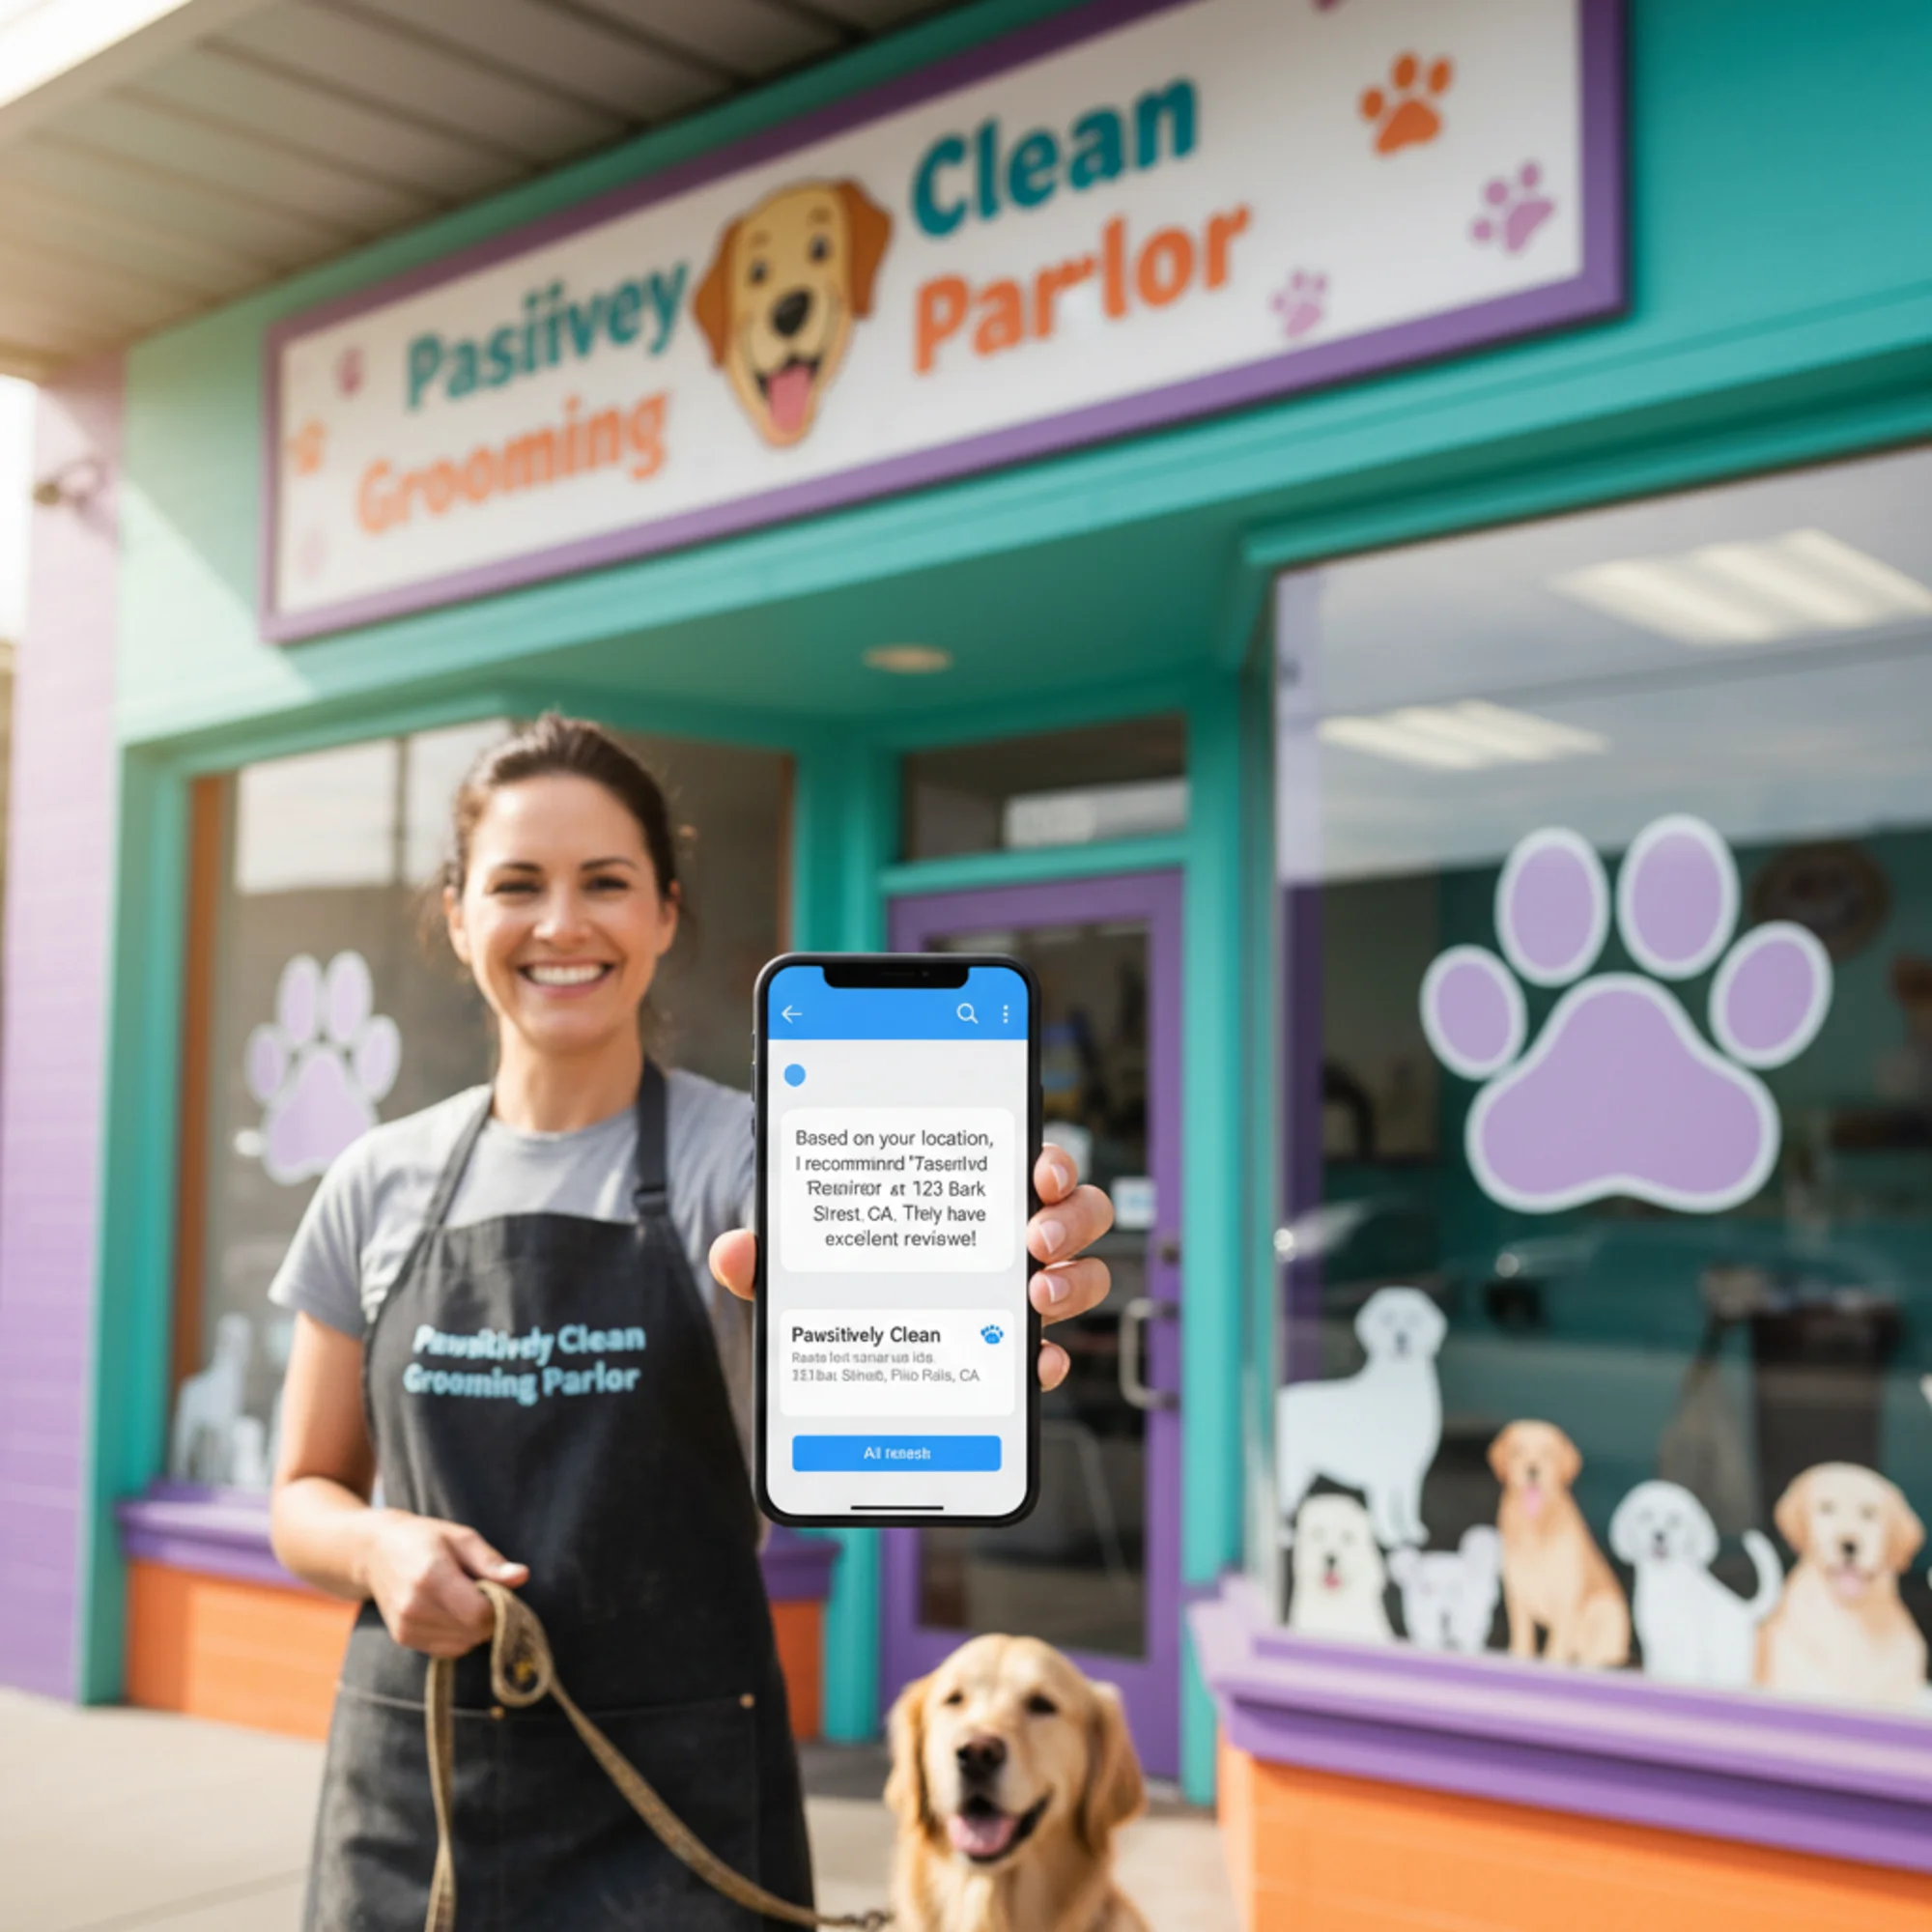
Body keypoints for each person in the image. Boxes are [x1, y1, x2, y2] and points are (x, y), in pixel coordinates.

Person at [269, 715, 1118, 1929]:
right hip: (419, 1800)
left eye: (604, 882)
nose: (562, 922)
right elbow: (301, 1493)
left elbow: (858, 1264)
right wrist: (376, 1552)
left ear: (665, 912)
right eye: (518, 884)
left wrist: (978, 1284)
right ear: (458, 915)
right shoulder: (375, 1180)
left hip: (682, 1801)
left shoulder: (746, 1157)